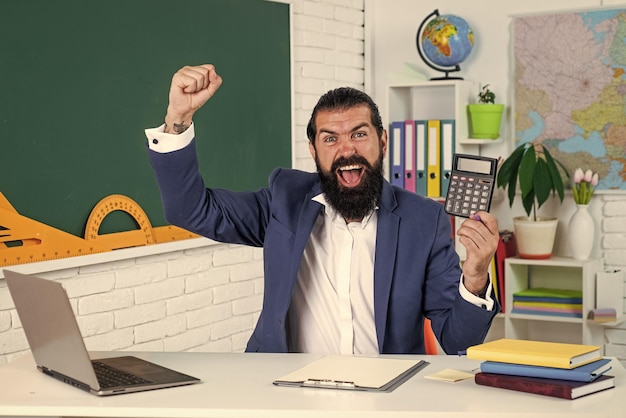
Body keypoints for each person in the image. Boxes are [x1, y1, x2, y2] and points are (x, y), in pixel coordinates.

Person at [145, 64, 500, 355]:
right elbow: (188, 210)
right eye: (330, 138)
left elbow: (459, 341)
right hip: (286, 394)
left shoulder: (424, 220)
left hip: (384, 401)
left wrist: (476, 276)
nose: (347, 149)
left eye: (359, 134)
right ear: (314, 151)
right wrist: (177, 119)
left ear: (383, 141)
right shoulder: (283, 201)